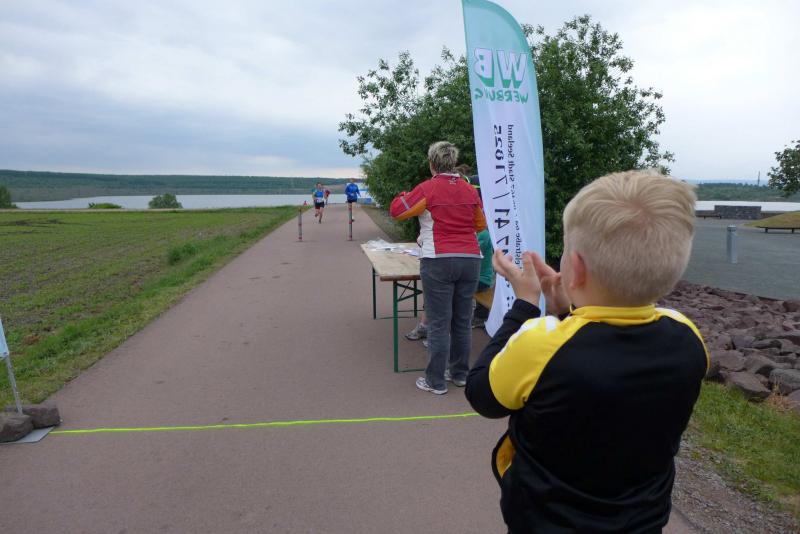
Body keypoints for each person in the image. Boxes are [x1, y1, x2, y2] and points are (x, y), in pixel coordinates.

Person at [465, 170, 708, 532]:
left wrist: (526, 304)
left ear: (575, 268)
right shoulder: (687, 336)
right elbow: (603, 358)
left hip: (543, 521)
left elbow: (483, 396)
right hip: (642, 521)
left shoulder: (541, 341)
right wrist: (566, 311)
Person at [390, 141, 487, 395]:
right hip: (470, 258)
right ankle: (460, 374)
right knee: (462, 321)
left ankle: (435, 381)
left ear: (432, 163)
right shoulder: (469, 189)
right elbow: (480, 224)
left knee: (439, 323)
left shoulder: (427, 188)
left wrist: (402, 195)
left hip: (438, 259)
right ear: (453, 163)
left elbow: (397, 211)